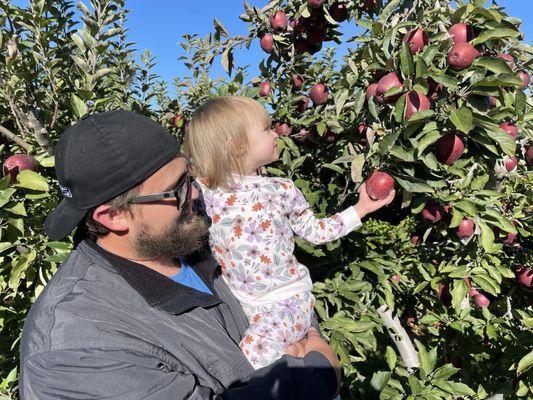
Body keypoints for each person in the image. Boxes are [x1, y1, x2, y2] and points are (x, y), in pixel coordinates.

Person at [19, 110, 342, 399]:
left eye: (189, 177)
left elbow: (274, 274)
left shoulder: (188, 236)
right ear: (112, 217)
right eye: (178, 188)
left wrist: (304, 327)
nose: (197, 193)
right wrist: (314, 374)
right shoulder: (71, 352)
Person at [185, 96, 395, 369]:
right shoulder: (203, 193)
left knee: (248, 364)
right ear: (237, 146)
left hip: (285, 303)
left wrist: (360, 208)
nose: (276, 134)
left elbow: (315, 231)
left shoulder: (281, 189)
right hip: (242, 304)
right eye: (266, 129)